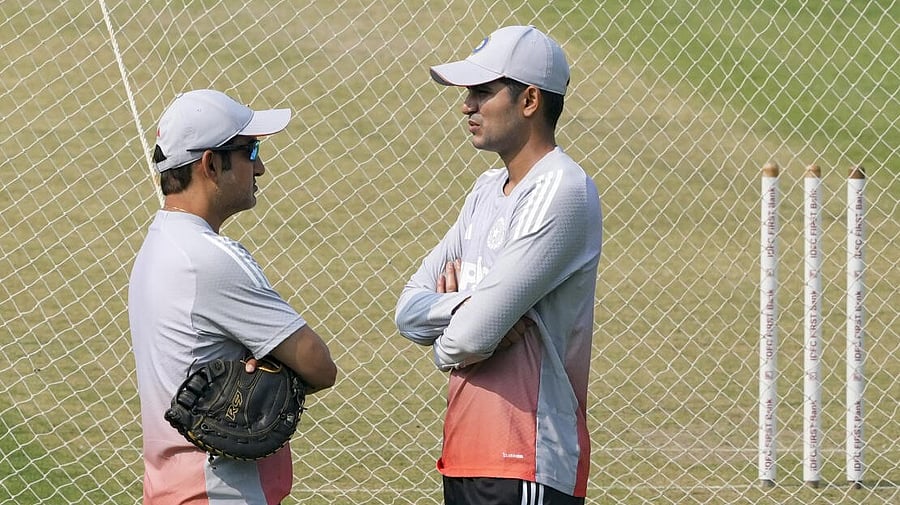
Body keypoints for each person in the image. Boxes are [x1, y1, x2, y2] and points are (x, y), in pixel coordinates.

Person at [394, 25, 602, 505]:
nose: (467, 104)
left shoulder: (562, 191)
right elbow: (407, 310)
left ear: (530, 100)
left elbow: (469, 337)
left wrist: (450, 337)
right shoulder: (485, 189)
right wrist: (473, 308)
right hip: (467, 449)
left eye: (483, 91)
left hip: (527, 456)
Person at [129, 89, 337, 505]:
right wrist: (280, 368)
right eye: (250, 150)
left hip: (172, 488)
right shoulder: (211, 258)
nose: (259, 166)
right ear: (211, 163)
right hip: (220, 492)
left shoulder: (158, 244)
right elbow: (320, 365)